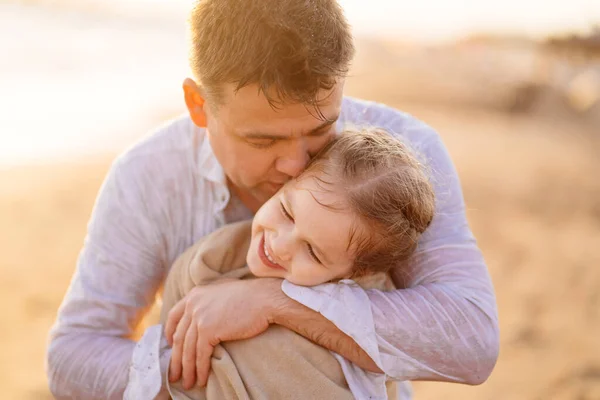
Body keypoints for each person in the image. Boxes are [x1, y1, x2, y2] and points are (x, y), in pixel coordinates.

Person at [46, 0, 499, 399]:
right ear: (198, 105)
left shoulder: (406, 156)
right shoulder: (146, 176)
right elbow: (72, 354)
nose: (295, 165)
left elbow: (472, 338)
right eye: (263, 141)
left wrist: (272, 302)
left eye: (321, 130)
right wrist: (211, 377)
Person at [160, 128, 434, 399]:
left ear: (355, 273)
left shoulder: (360, 323)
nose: (280, 246)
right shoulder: (215, 256)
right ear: (288, 182)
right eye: (287, 212)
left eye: (312, 252)